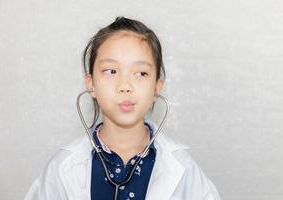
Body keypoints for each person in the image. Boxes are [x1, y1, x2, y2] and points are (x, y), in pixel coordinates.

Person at [25, 16, 221, 200]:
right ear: (91, 84)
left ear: (156, 88)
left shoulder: (184, 169)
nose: (125, 85)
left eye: (141, 73)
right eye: (111, 71)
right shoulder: (60, 169)